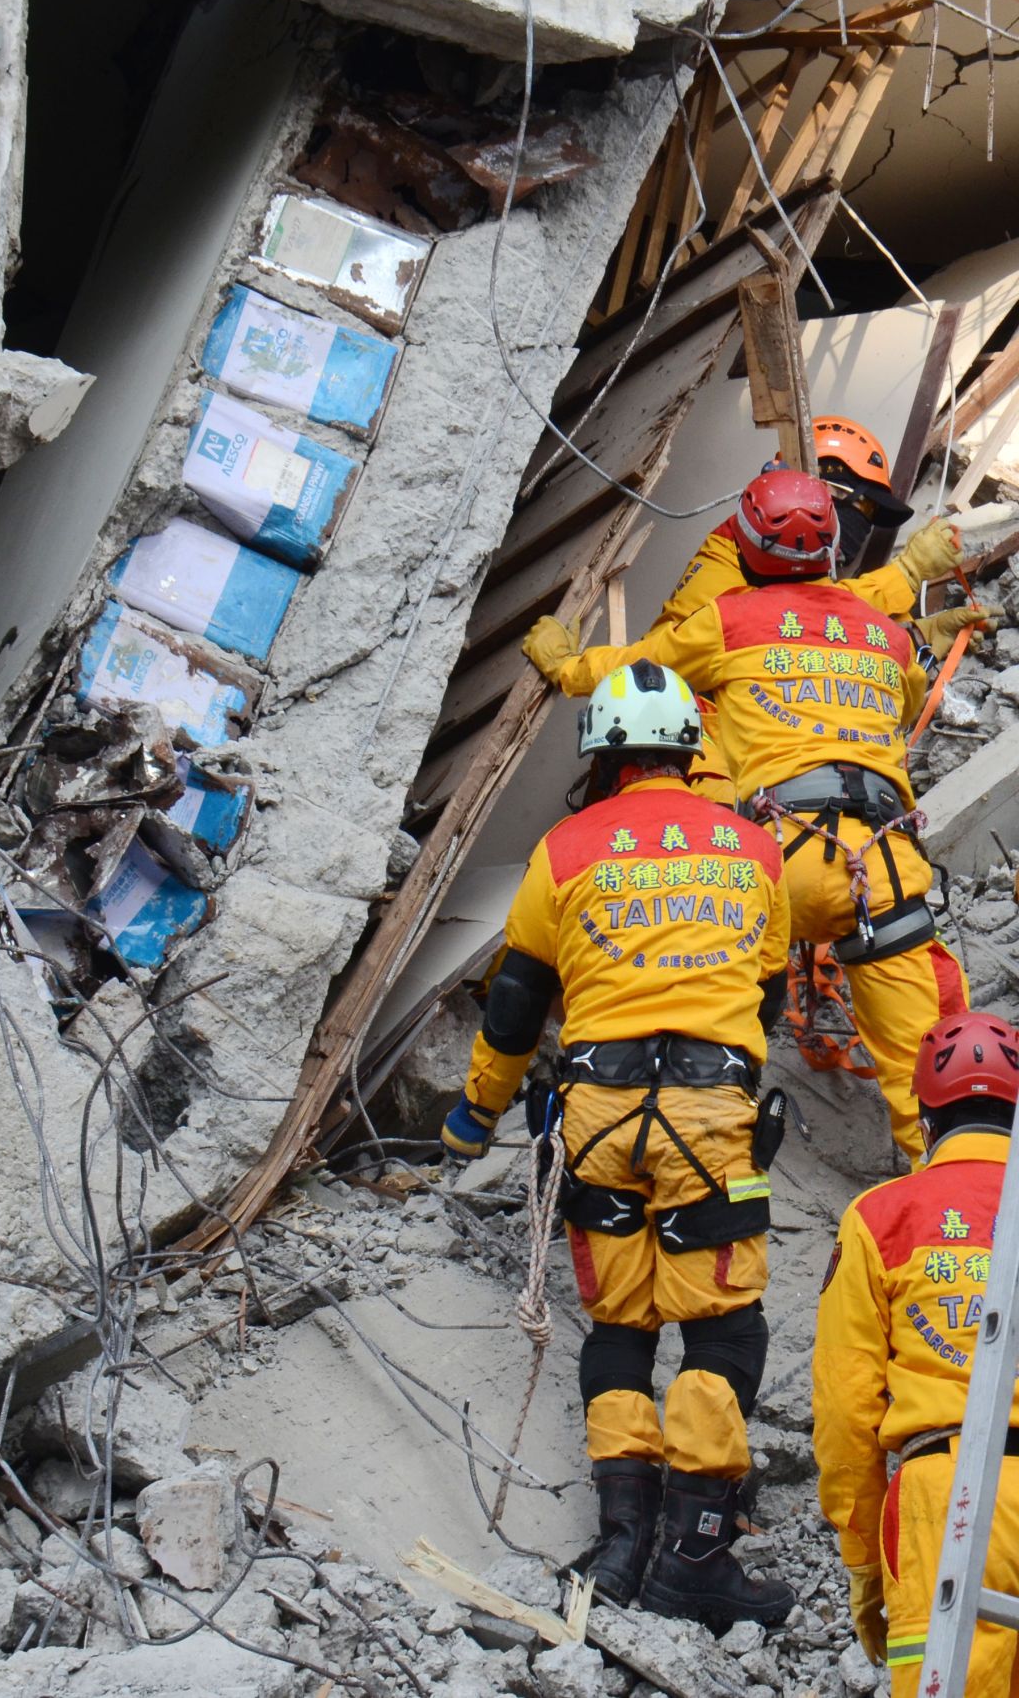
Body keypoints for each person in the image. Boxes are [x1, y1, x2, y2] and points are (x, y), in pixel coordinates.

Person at [442, 659, 795, 1625]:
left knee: (622, 1327)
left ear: (602, 755)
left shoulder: (566, 847)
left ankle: (624, 1541)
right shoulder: (751, 848)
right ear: (691, 750)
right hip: (705, 1118)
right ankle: (695, 1554)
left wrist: (476, 1110)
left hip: (595, 1117)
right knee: (721, 1326)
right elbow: (766, 988)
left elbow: (518, 999)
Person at [521, 469, 970, 1170]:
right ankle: (958, 1216)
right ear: (831, 551)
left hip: (775, 864)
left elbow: (640, 672)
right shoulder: (882, 631)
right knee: (931, 1085)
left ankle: (677, 1135)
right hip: (881, 870)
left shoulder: (727, 622)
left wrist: (565, 665)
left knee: (704, 1012)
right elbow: (905, 696)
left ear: (746, 543)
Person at [525, 416, 992, 805]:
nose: (861, 526)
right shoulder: (731, 558)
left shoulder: (787, 565)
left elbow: (821, 622)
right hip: (706, 771)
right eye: (861, 506)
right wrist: (906, 574)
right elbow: (671, 656)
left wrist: (914, 640)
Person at [813, 1010, 1019, 1694]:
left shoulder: (881, 1217)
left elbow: (846, 1409)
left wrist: (866, 1564)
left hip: (947, 1501)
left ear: (926, 1123)